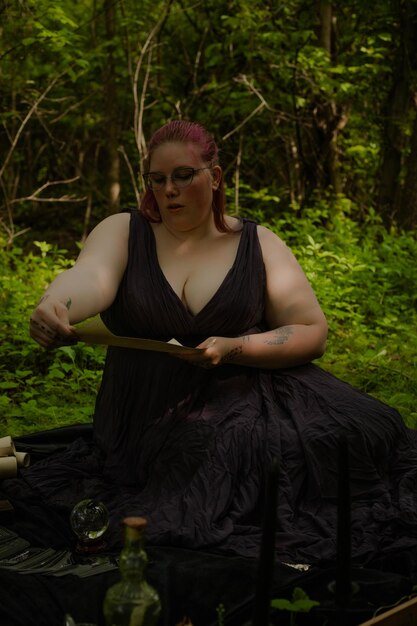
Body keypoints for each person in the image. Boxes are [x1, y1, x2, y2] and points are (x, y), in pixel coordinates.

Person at [17, 120, 417, 566]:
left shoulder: (256, 242)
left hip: (248, 396)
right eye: (158, 178)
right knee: (206, 457)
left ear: (216, 176)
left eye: (184, 175)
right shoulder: (125, 230)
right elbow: (89, 276)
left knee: (339, 442)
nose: (169, 190)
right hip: (146, 413)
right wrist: (57, 303)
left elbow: (311, 330)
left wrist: (234, 347)